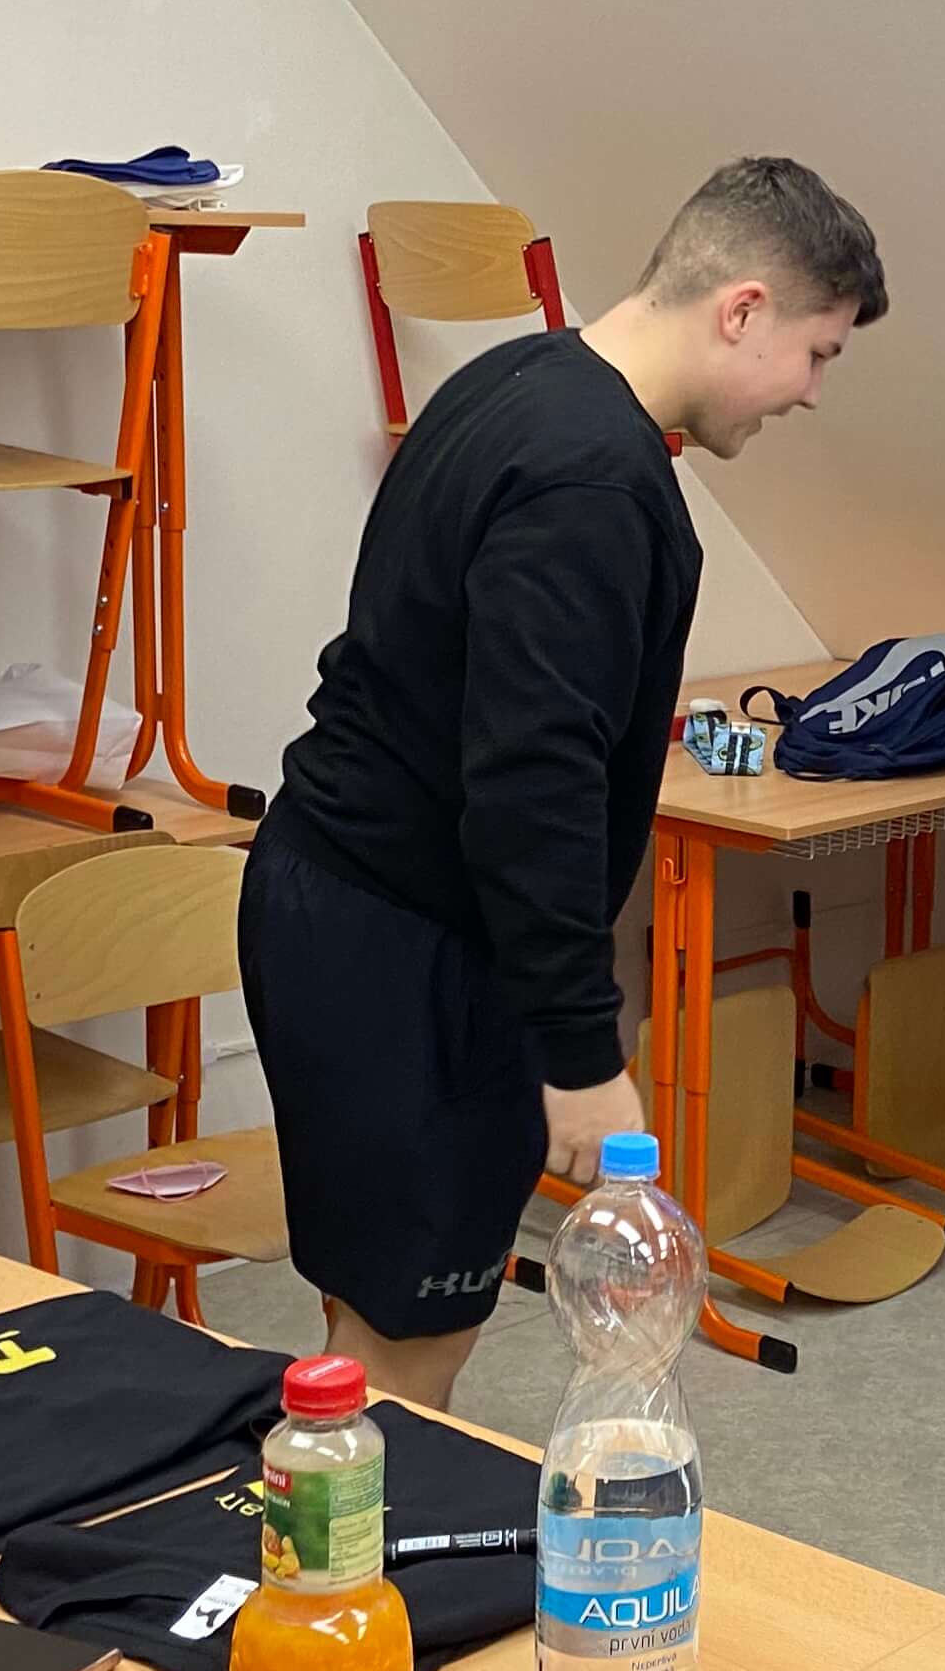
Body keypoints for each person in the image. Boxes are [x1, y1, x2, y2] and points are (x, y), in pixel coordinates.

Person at [244, 159, 886, 1412]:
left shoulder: (522, 378)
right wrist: (582, 1053)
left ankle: (342, 1520)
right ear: (742, 309)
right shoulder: (593, 477)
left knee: (365, 1326)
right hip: (403, 944)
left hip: (344, 902)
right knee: (406, 1355)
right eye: (818, 353)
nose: (812, 392)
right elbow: (532, 781)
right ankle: (356, 1540)